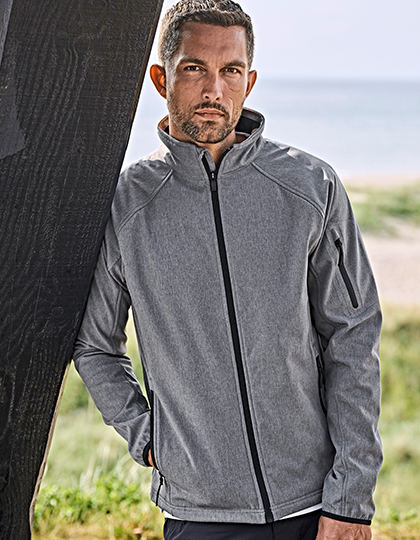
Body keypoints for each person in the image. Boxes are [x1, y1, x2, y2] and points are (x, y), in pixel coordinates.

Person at [73, 1, 382, 539]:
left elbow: (353, 337)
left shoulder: (311, 187)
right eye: (195, 68)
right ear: (161, 78)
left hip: (312, 506)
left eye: (231, 71)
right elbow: (96, 346)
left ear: (249, 81)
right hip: (199, 513)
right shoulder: (126, 205)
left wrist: (351, 500)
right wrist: (149, 438)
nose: (214, 90)